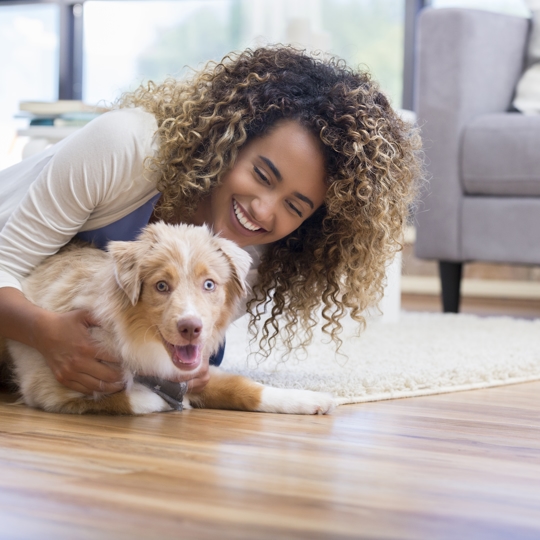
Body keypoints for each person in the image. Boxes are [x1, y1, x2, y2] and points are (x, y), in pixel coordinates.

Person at [0, 47, 422, 397]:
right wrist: (45, 332)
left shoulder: (249, 260)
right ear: (229, 140)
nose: (263, 211)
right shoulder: (125, 147)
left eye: (295, 207)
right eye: (262, 175)